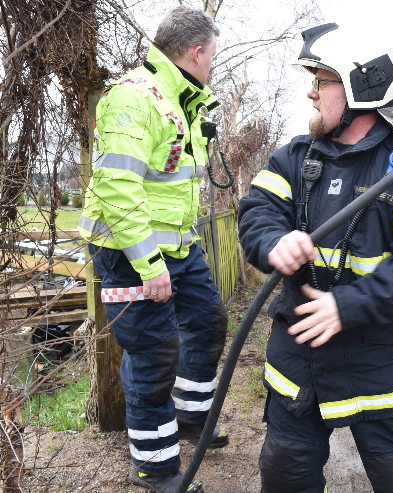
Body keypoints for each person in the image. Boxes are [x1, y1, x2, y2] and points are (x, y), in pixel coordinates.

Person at [238, 23, 393, 492]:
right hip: (300, 368)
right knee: (284, 477)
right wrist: (273, 240)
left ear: (361, 84)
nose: (312, 93)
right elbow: (256, 211)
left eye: (322, 80)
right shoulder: (293, 159)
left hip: (381, 370)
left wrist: (347, 306)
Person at [78, 7, 228, 493]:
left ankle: (189, 420)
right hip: (130, 253)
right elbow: (118, 189)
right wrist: (149, 265)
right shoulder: (132, 97)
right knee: (154, 353)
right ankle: (155, 466)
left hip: (179, 250)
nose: (213, 66)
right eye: (213, 56)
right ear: (197, 51)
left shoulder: (184, 101)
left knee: (208, 322)